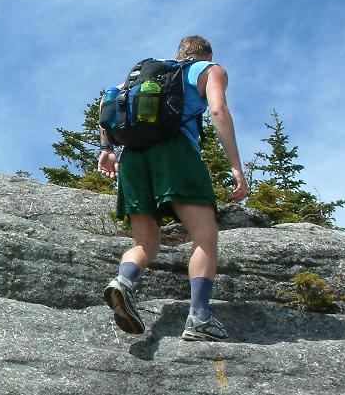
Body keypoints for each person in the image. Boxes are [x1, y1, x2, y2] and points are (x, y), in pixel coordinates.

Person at [99, 35, 248, 341]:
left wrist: (106, 149)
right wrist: (236, 166)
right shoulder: (210, 69)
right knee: (204, 234)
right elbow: (218, 111)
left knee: (145, 242)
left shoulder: (146, 75)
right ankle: (199, 317)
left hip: (133, 156)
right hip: (175, 152)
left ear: (180, 53)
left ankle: (123, 282)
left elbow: (107, 100)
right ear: (206, 54)